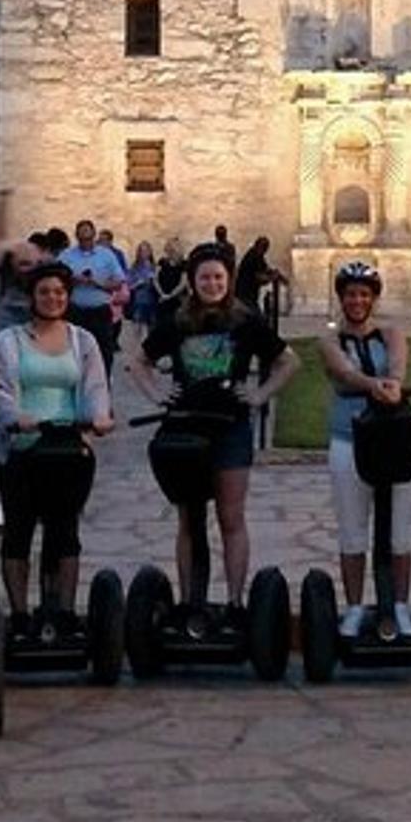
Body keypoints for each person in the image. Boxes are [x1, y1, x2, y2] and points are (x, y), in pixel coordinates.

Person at [129, 243, 299, 611]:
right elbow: (139, 360)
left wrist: (259, 394)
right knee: (189, 518)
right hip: (185, 427)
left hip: (230, 427)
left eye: (219, 277)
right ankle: (192, 602)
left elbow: (288, 361)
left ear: (229, 280)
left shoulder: (245, 320)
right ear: (192, 281)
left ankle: (235, 602)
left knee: (230, 516)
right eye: (204, 277)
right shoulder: (176, 320)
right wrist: (158, 393)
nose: (212, 283)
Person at [0, 259, 114, 636]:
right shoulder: (8, 341)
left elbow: (95, 388)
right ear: (32, 296)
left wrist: (99, 416)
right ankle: (21, 614)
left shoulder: (83, 340)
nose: (52, 298)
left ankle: (62, 611)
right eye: (44, 291)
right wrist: (14, 415)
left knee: (64, 530)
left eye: (59, 292)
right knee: (19, 530)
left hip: (68, 446)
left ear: (68, 296)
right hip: (22, 447)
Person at [316, 261, 411, 638]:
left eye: (364, 294)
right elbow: (342, 372)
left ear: (374, 298)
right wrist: (375, 385)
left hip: (393, 441)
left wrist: (394, 382)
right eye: (351, 294)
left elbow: (399, 365)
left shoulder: (391, 334)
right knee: (353, 530)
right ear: (341, 298)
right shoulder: (329, 341)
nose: (357, 301)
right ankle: (355, 607)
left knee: (399, 533)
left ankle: (400, 607)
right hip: (349, 440)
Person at [62, 219, 127, 375]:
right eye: (82, 235)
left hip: (100, 312)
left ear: (94, 235)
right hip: (75, 311)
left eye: (88, 235)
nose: (85, 239)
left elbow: (119, 282)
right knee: (74, 352)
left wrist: (97, 283)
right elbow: (56, 279)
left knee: (104, 352)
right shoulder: (66, 256)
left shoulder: (107, 256)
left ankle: (103, 387)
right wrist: (72, 280)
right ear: (76, 236)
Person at [234, 236, 284, 315]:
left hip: (251, 295)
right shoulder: (252, 257)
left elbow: (265, 269)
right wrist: (271, 278)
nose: (265, 251)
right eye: (264, 248)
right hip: (245, 295)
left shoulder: (258, 256)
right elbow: (258, 277)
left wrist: (276, 274)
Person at [126, 240, 160, 336]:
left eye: (146, 251)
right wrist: (138, 283)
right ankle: (136, 349)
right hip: (139, 301)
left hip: (153, 300)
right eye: (142, 251)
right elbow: (128, 285)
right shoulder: (134, 268)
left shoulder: (156, 266)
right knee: (137, 328)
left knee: (152, 329)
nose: (144, 253)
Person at [154, 238, 188, 325]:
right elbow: (155, 278)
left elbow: (183, 282)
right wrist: (161, 293)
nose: (171, 252)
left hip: (177, 298)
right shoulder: (162, 262)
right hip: (162, 296)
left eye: (173, 250)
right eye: (169, 249)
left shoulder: (184, 264)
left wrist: (170, 295)